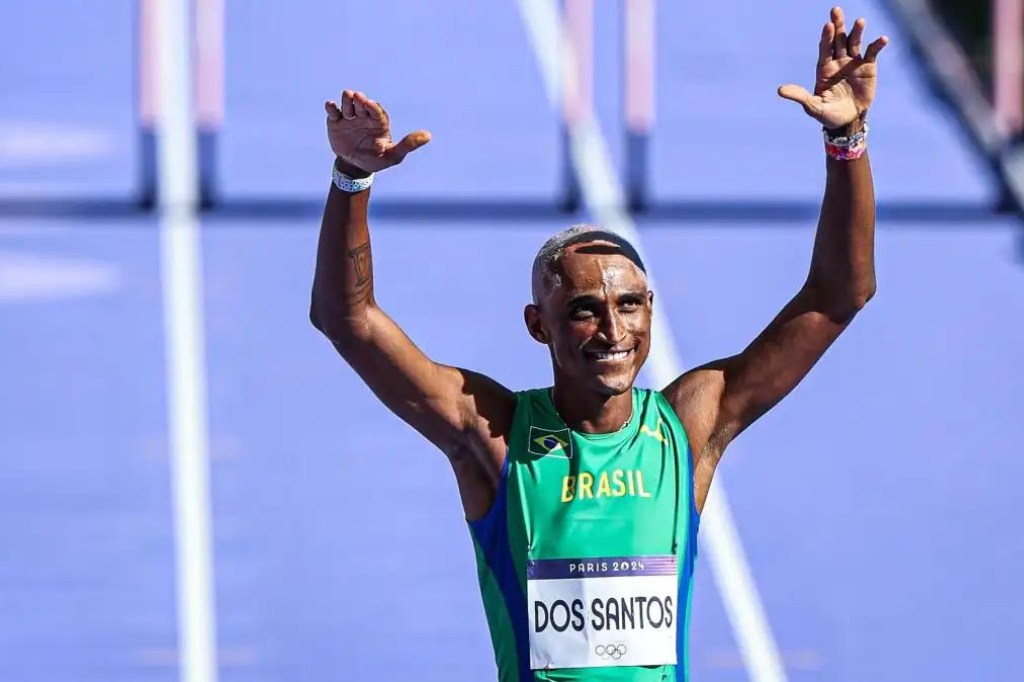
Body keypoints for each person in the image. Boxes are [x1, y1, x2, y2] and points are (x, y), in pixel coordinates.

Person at [310, 7, 887, 681]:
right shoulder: (492, 433)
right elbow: (347, 320)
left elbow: (838, 296)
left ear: (650, 310)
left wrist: (847, 138)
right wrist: (352, 179)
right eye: (584, 310)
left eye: (630, 305)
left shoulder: (689, 426)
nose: (614, 331)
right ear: (538, 325)